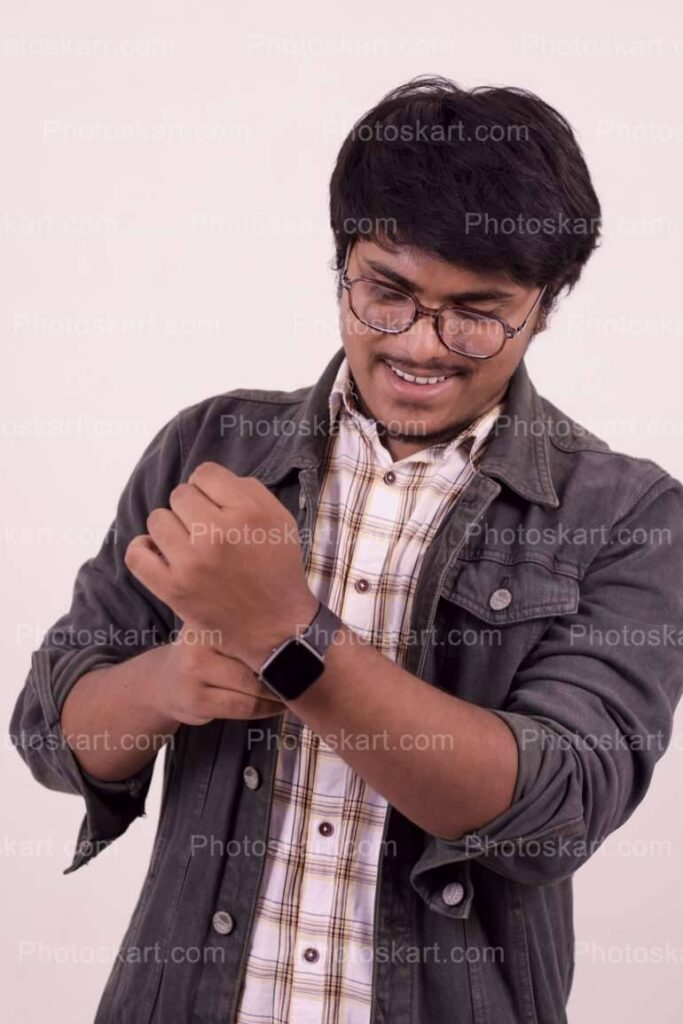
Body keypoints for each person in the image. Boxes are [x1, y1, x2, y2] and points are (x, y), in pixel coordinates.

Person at [10, 75, 683, 1024]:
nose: (423, 342)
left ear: (547, 304)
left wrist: (286, 633)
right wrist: (167, 681)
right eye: (387, 293)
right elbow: (50, 730)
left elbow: (558, 805)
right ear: (341, 267)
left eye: (477, 310)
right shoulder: (209, 447)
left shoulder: (627, 513)